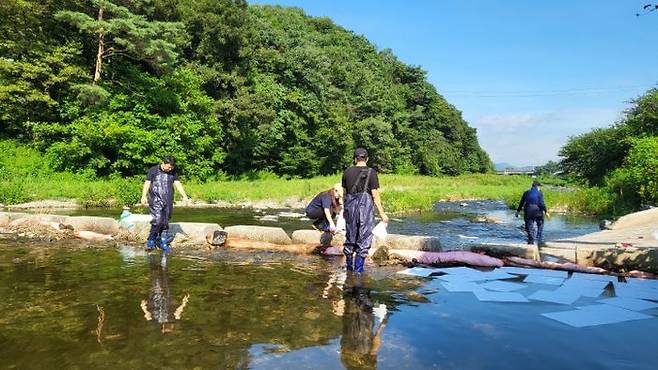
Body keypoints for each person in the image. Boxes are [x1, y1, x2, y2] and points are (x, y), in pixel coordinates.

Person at [342, 148, 388, 273]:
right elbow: (375, 195)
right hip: (365, 209)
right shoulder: (371, 172)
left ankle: (349, 269)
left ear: (355, 159)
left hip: (350, 209)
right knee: (364, 238)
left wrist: (344, 211)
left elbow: (344, 194)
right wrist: (382, 213)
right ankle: (358, 271)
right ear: (367, 159)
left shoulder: (346, 172)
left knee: (350, 237)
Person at [140, 156, 189, 253]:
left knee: (165, 222)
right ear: (163, 163)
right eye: (169, 167)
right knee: (157, 220)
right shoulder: (153, 170)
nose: (170, 169)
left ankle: (163, 242)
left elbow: (178, 184)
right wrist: (143, 196)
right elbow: (147, 183)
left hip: (168, 200)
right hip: (155, 200)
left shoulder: (173, 172)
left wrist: (185, 196)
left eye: (172, 167)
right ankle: (151, 240)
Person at [516, 180, 550, 245]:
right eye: (540, 187)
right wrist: (546, 211)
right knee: (540, 224)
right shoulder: (539, 193)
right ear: (537, 186)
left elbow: (521, 203)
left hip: (528, 210)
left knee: (529, 225)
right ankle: (539, 238)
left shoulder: (526, 192)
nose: (540, 188)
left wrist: (517, 212)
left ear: (532, 186)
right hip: (537, 210)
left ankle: (531, 240)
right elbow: (541, 203)